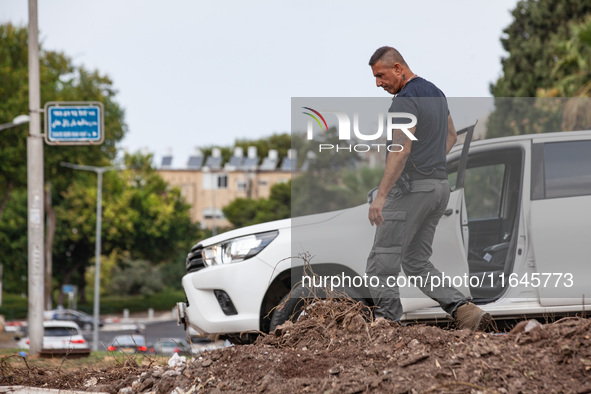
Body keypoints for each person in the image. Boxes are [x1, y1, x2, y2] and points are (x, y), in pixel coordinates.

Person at [365, 46, 491, 331]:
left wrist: (381, 196)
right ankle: (465, 311)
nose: (378, 84)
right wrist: (431, 165)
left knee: (381, 263)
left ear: (398, 68)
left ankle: (388, 329)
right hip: (438, 188)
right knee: (415, 262)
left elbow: (400, 150)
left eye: (381, 76)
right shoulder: (436, 93)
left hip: (412, 191)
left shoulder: (405, 101)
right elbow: (450, 137)